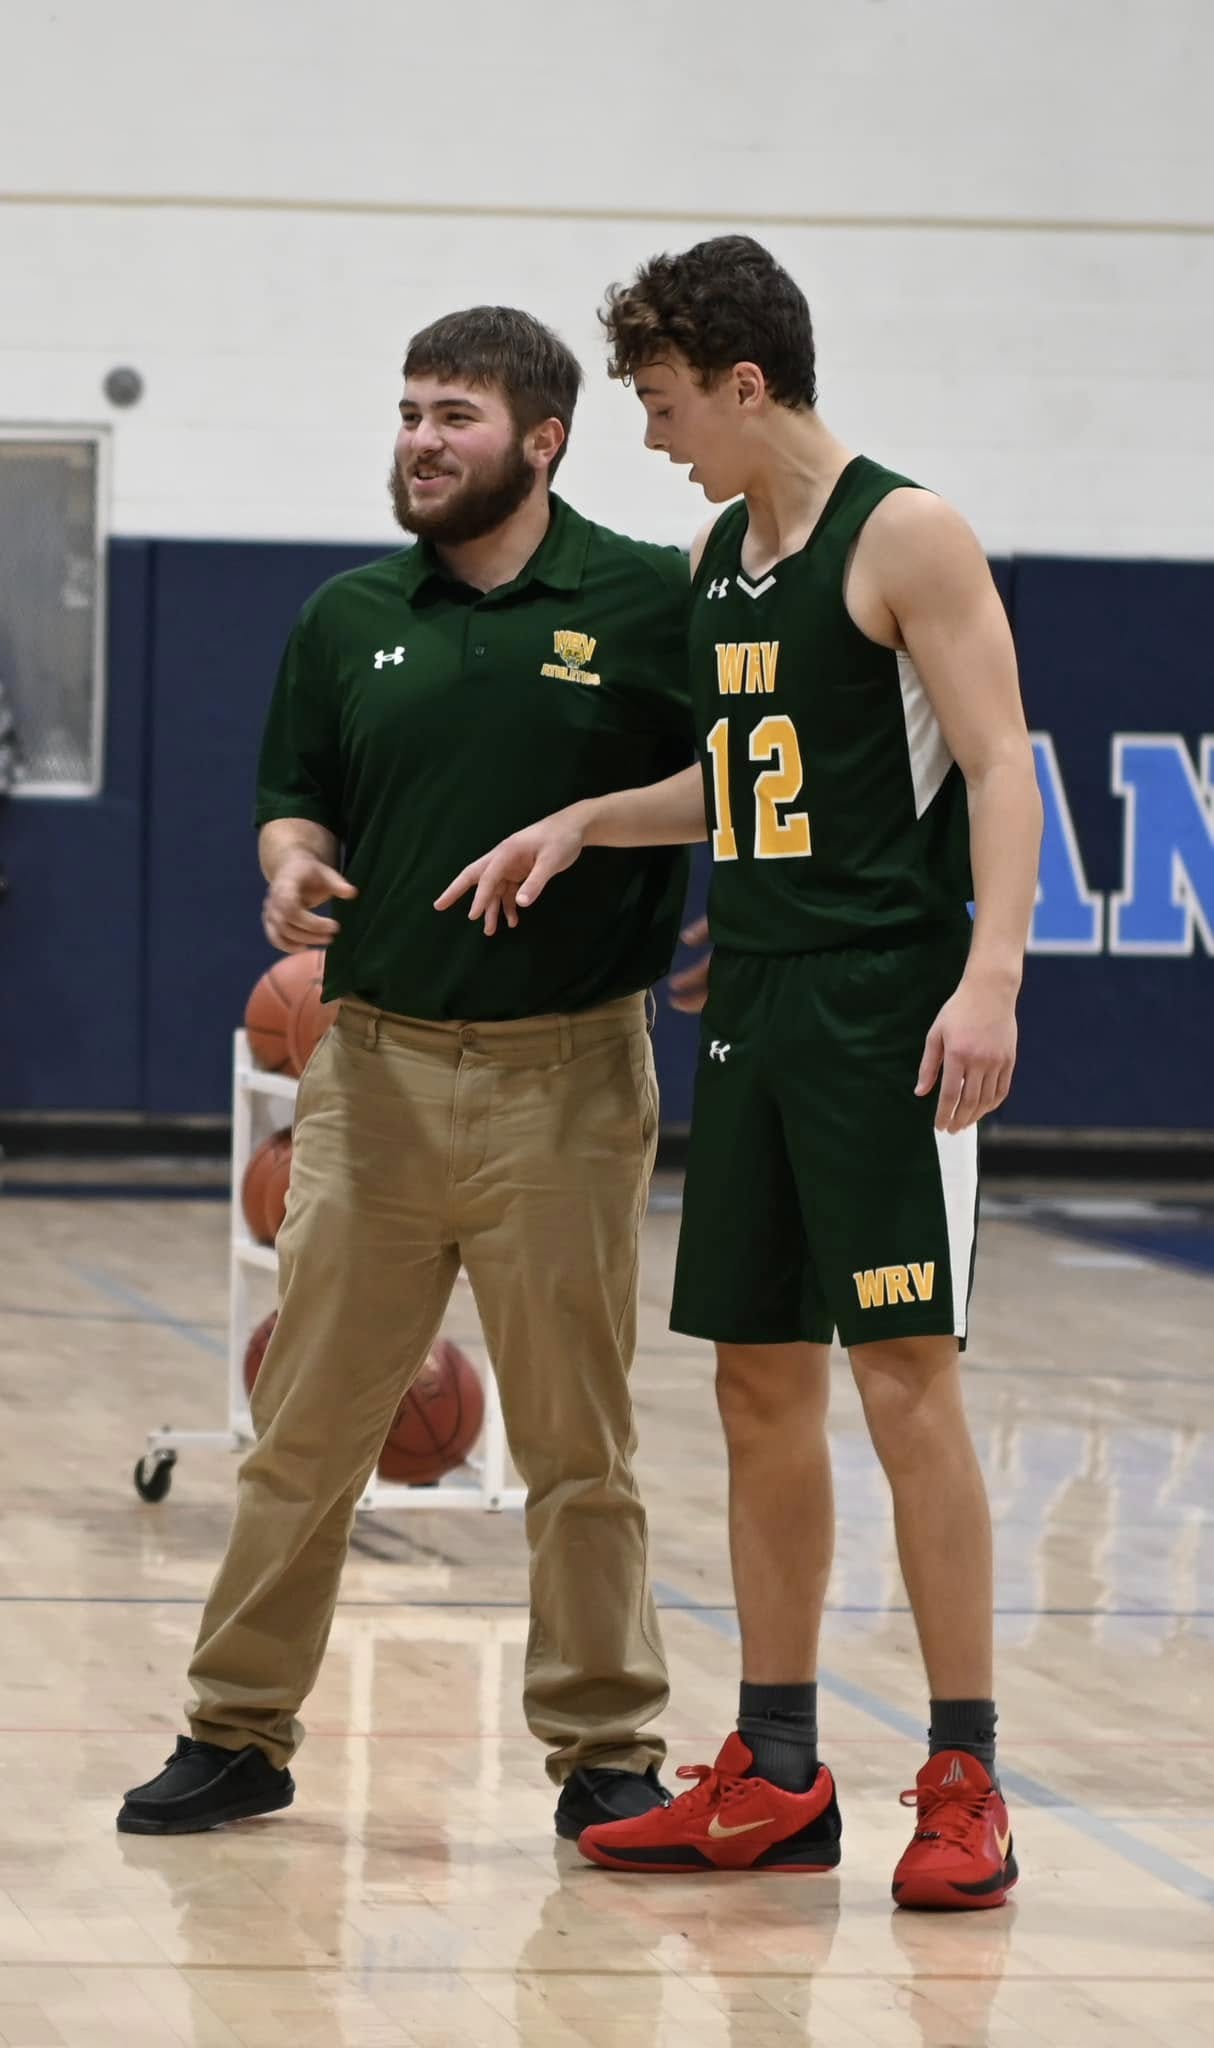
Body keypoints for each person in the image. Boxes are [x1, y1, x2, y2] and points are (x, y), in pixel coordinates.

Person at [438, 238, 1043, 1910]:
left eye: (661, 403)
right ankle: (777, 1770)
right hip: (755, 1008)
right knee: (756, 1385)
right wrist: (585, 819)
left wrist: (991, 977)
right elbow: (744, 782)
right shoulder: (721, 554)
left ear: (745, 383)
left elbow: (999, 761)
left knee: (903, 1379)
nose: (650, 439)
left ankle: (966, 1778)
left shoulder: (904, 533)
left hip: (887, 1009)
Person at [117, 306, 696, 1841]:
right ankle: (237, 1731)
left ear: (542, 441)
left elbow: (739, 782)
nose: (421, 442)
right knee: (303, 1431)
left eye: (455, 416)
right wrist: (290, 866)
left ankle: (606, 1751)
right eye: (409, 412)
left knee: (577, 1447)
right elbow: (294, 801)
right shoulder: (347, 615)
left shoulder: (648, 598)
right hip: (370, 1074)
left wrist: (597, 824)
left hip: (568, 1079)